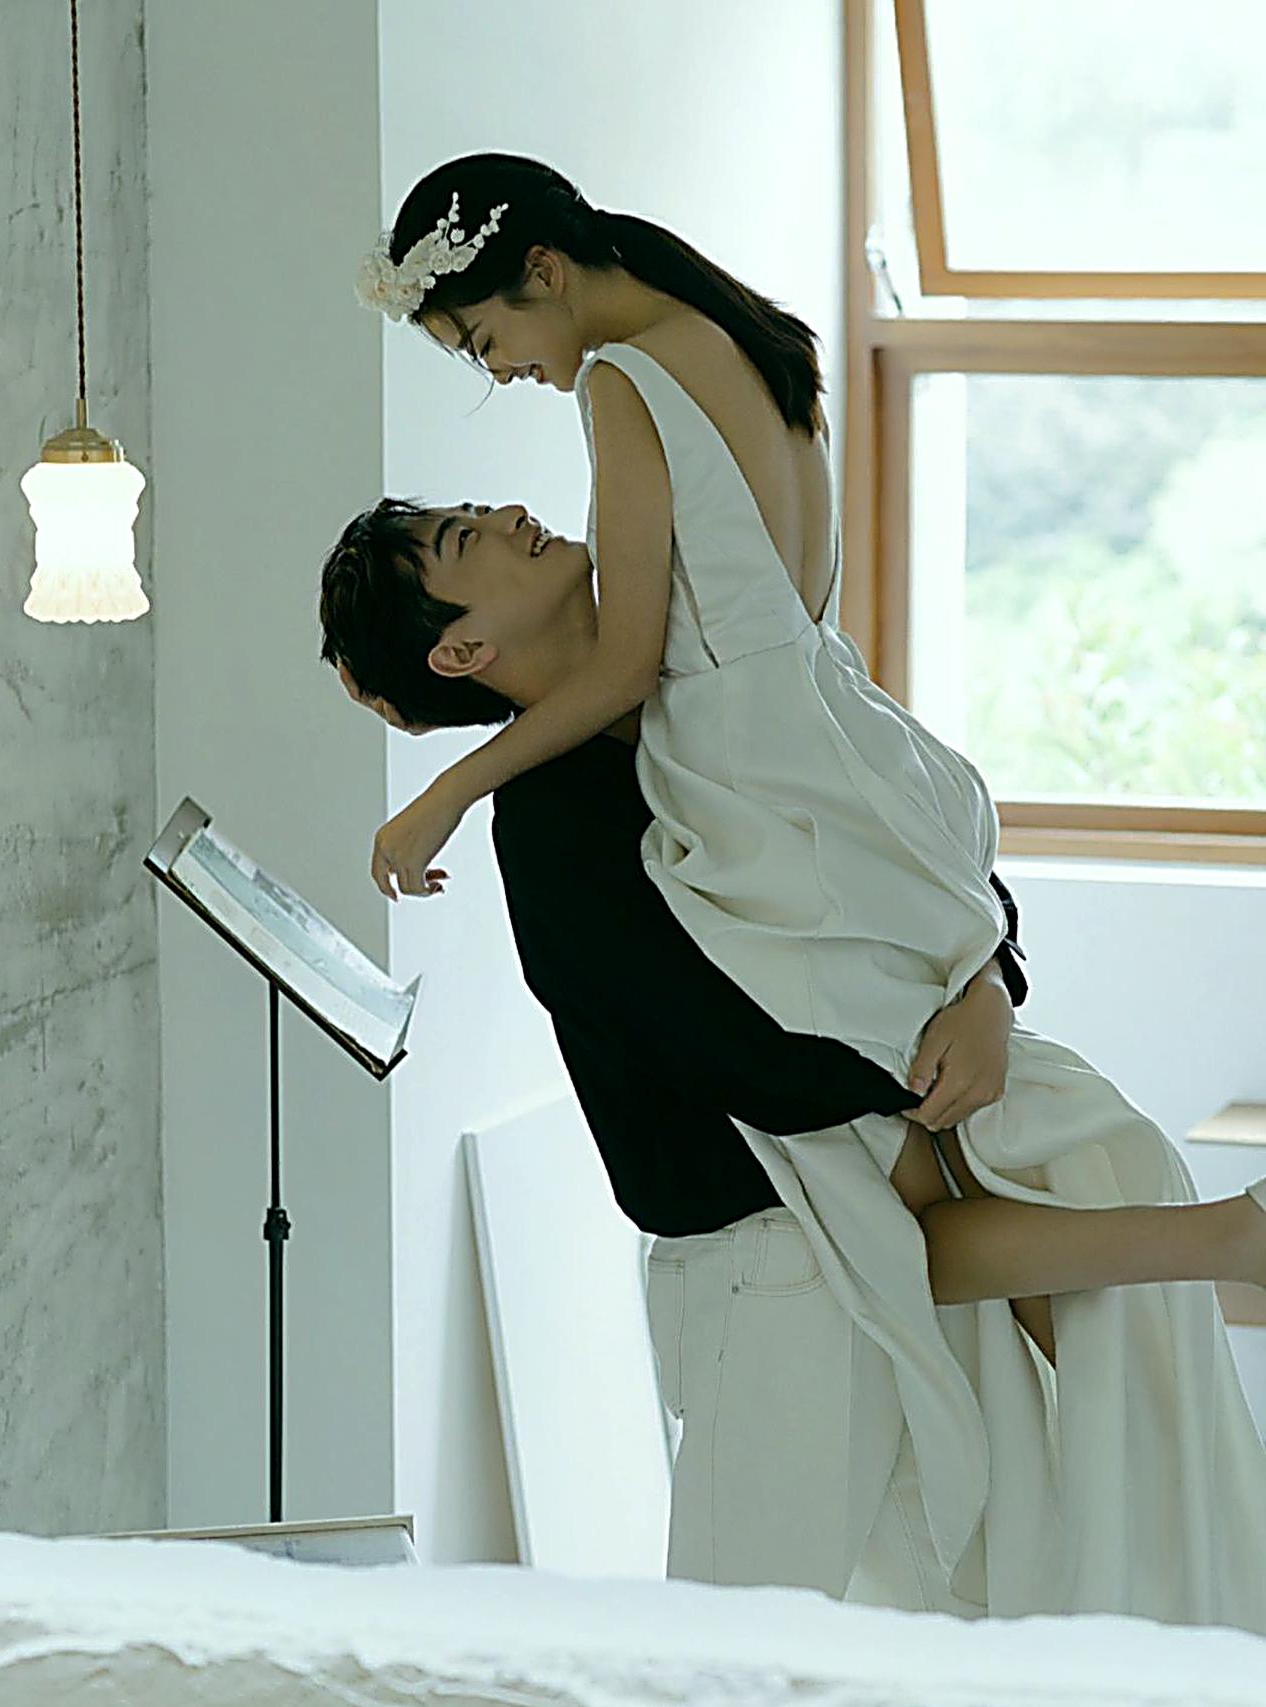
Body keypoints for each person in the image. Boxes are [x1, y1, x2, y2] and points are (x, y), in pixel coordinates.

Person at [331, 152, 1266, 1628]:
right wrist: (946, 1016)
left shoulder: (625, 404)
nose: (502, 382)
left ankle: (1212, 1255)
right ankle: (1208, 1259)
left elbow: (648, 673)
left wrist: (451, 782)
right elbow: (825, 830)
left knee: (916, 1252)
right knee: (938, 1227)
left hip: (788, 941)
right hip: (831, 813)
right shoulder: (749, 357)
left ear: (546, 275)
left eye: (486, 340)